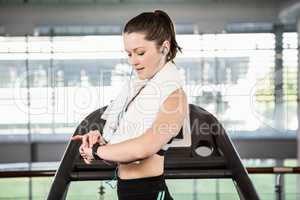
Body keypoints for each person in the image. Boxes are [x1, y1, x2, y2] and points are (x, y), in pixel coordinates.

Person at [72, 10, 190, 200]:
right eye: (129, 54)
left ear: (164, 47)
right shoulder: (135, 90)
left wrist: (96, 151)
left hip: (150, 192)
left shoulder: (174, 96)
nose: (133, 61)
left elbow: (144, 148)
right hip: (128, 191)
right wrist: (101, 142)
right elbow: (121, 149)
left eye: (140, 53)